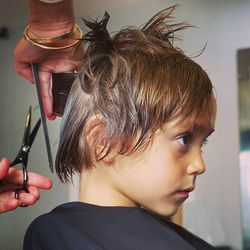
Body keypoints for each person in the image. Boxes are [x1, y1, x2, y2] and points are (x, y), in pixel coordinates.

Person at [23, 6, 217, 250]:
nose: (200, 165)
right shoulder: (54, 234)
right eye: (184, 139)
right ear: (103, 139)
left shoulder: (51, 232)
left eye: (203, 142)